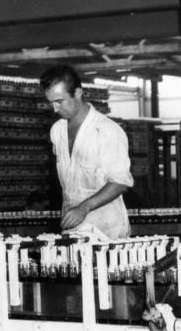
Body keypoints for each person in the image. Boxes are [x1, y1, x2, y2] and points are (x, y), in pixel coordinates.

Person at [40, 64, 133, 238]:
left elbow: (121, 182)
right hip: (72, 229)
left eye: (59, 101)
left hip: (106, 233)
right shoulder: (57, 131)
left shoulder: (107, 131)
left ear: (77, 93)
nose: (55, 109)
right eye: (51, 103)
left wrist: (84, 208)